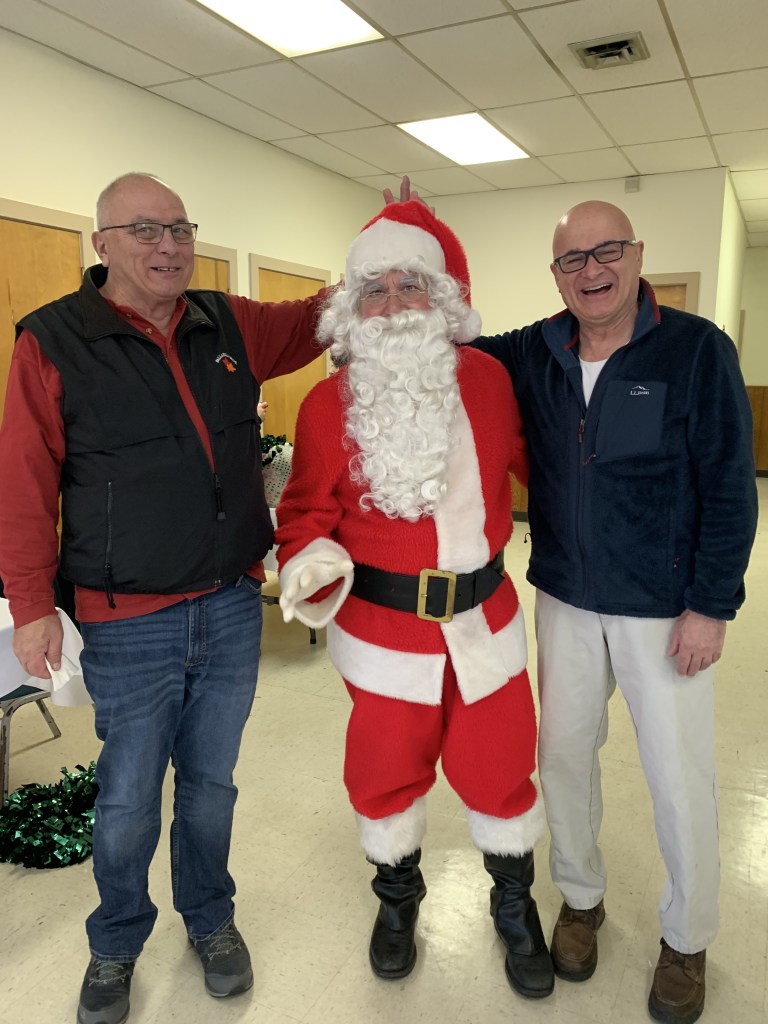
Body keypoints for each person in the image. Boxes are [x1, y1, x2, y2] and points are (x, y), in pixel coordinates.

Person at [386, 181, 758, 1024]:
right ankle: (580, 900)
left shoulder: (695, 350)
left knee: (679, 776)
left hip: (665, 606)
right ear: (555, 274)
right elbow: (445, 333)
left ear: (636, 257)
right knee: (561, 757)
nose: (592, 270)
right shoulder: (536, 350)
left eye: (607, 251)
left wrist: (712, 605)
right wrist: (416, 236)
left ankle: (687, 939)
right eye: (572, 258)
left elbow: (732, 487)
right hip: (566, 598)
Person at [0, 172, 329, 1024]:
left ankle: (210, 919)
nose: (168, 245)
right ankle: (115, 943)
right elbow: (24, 484)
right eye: (144, 230)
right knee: (126, 799)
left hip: (229, 605)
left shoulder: (228, 322)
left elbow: (320, 318)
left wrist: (397, 234)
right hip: (127, 621)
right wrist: (31, 604)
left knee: (211, 786)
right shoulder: (53, 341)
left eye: (180, 228)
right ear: (101, 245)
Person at [274, 201, 555, 1000]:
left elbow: (543, 468)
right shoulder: (326, 406)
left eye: (411, 285)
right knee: (384, 773)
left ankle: (513, 905)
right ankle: (397, 901)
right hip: (383, 633)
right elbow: (303, 514)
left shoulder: (491, 382)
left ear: (442, 299)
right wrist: (310, 562)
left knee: (501, 768)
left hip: (485, 622)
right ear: (351, 311)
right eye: (375, 290)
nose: (394, 304)